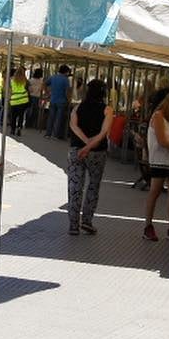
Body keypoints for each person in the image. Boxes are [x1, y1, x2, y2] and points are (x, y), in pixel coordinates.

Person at [66, 78, 110, 235]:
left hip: (76, 150)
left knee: (75, 186)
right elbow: (104, 132)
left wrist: (84, 144)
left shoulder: (77, 108)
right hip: (97, 153)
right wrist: (90, 146)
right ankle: (87, 221)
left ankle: (73, 224)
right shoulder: (107, 110)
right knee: (93, 185)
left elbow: (73, 126)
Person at [142, 88, 169, 242]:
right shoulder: (158, 116)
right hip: (160, 161)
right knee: (155, 192)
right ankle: (148, 225)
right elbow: (162, 140)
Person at [46, 64, 71, 140]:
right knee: (58, 118)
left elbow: (44, 84)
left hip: (53, 99)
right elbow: (67, 92)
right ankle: (55, 135)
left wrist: (47, 93)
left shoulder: (53, 77)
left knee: (51, 117)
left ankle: (48, 134)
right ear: (66, 72)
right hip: (62, 101)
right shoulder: (66, 80)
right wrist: (69, 99)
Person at [8, 66, 30, 136]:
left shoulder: (12, 80)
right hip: (23, 100)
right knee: (21, 116)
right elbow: (28, 90)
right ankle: (19, 128)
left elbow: (10, 90)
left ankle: (12, 130)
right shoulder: (25, 81)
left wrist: (9, 98)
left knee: (13, 116)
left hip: (14, 100)